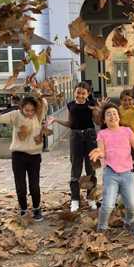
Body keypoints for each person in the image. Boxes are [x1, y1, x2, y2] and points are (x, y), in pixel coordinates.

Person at [89, 103, 134, 234]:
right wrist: (99, 153)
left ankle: (128, 222)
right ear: (104, 120)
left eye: (115, 113)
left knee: (133, 206)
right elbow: (101, 150)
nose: (112, 116)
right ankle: (102, 227)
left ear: (119, 117)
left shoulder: (127, 131)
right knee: (108, 205)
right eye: (108, 114)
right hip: (111, 173)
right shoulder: (102, 133)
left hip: (127, 173)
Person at [0, 96, 48, 221]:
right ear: (21, 108)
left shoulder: (38, 116)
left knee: (34, 185)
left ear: (36, 110)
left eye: (32, 110)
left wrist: (39, 94)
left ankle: (36, 208)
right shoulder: (16, 115)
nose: (29, 113)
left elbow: (44, 103)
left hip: (35, 156)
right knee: (20, 186)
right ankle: (23, 209)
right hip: (18, 156)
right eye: (26, 110)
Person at [49, 82, 99, 213]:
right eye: (78, 92)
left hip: (90, 136)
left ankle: (91, 197)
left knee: (91, 168)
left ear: (88, 94)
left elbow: (98, 122)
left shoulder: (91, 104)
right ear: (74, 92)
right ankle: (75, 199)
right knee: (75, 167)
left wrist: (98, 109)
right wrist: (56, 120)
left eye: (83, 93)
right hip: (75, 136)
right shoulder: (71, 105)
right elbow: (70, 123)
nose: (80, 95)